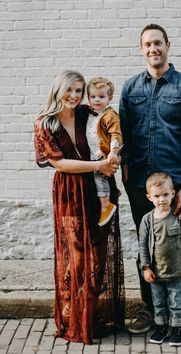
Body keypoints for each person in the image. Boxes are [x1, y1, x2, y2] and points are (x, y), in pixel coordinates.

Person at [119, 23, 181, 342]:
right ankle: (151, 308)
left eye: (158, 42)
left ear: (168, 45)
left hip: (177, 186)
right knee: (148, 244)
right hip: (141, 185)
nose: (153, 48)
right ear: (141, 49)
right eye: (147, 44)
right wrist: (126, 176)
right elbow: (124, 137)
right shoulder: (130, 89)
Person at [34, 70, 125, 344]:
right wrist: (99, 165)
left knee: (97, 256)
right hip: (69, 192)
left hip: (99, 190)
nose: (74, 96)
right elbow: (59, 163)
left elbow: (112, 135)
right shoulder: (44, 123)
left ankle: (93, 316)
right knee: (75, 259)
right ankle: (74, 318)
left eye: (78, 90)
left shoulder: (90, 113)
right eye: (69, 90)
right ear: (58, 90)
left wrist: (115, 156)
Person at [139, 172, 181, 347]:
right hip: (156, 273)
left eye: (165, 194)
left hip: (177, 271)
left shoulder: (178, 216)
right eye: (157, 196)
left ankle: (177, 329)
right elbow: (142, 245)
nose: (161, 199)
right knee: (159, 302)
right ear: (149, 197)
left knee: (176, 302)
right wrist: (146, 267)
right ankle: (161, 327)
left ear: (173, 193)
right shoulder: (147, 220)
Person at [86, 77, 123, 226]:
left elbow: (116, 134)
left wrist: (113, 152)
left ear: (110, 98)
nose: (96, 100)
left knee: (99, 176)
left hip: (104, 154)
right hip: (93, 153)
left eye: (101, 97)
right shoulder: (91, 112)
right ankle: (112, 191)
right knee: (95, 179)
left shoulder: (109, 115)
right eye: (93, 96)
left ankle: (106, 205)